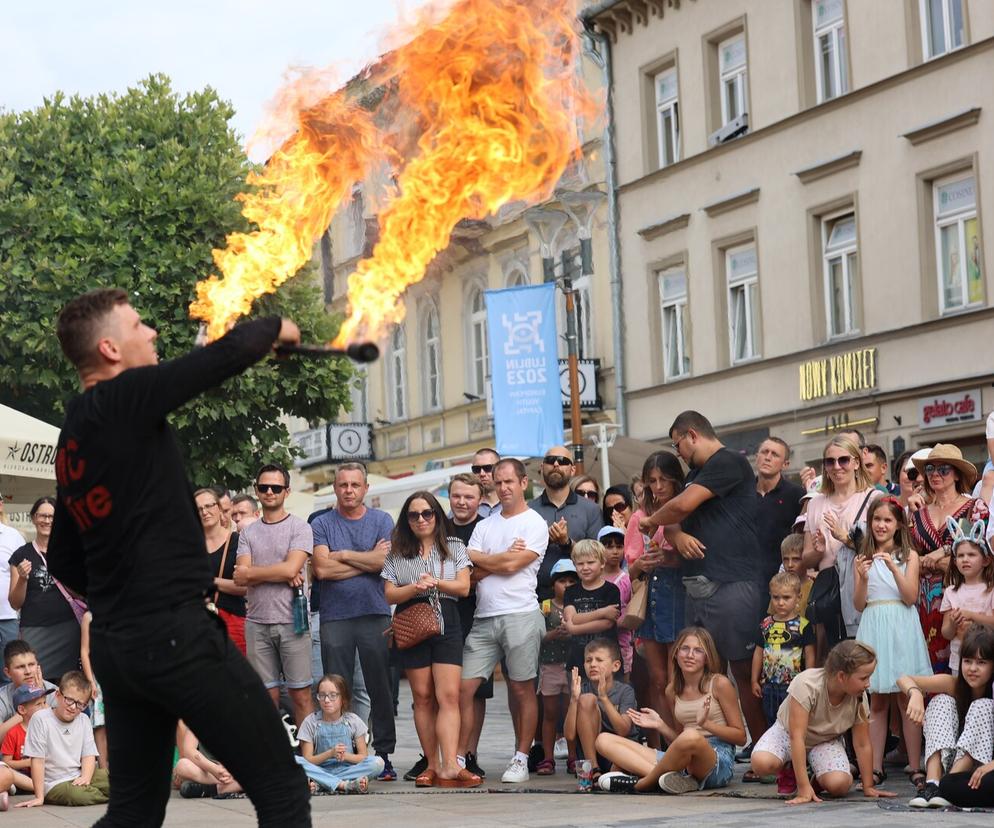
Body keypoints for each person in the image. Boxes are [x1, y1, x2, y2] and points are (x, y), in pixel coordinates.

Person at [45, 288, 310, 826]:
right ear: (110, 349)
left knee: (135, 810)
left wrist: (123, 597)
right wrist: (276, 327)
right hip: (172, 635)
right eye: (139, 325)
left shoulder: (73, 436)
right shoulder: (121, 400)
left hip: (122, 645)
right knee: (282, 786)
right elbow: (214, 362)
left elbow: (66, 560)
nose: (152, 333)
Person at [639, 411, 767, 760]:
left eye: (677, 444)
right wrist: (675, 534)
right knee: (707, 675)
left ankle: (763, 749)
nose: (677, 453)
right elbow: (677, 517)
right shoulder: (697, 473)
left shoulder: (729, 463)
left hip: (732, 584)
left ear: (692, 435)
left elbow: (680, 505)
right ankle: (710, 750)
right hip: (699, 587)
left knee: (742, 672)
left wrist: (651, 520)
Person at [458, 458, 548, 784]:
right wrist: (503, 557)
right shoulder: (485, 525)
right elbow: (470, 570)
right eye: (498, 482)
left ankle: (521, 757)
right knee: (463, 688)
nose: (503, 488)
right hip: (484, 618)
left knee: (523, 688)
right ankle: (458, 756)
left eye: (509, 481)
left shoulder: (535, 522)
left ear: (524, 483)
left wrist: (491, 561)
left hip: (521, 614)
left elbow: (512, 567)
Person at [381, 491, 480, 788]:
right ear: (406, 520)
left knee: (448, 696)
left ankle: (451, 764)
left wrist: (436, 582)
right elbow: (389, 593)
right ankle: (432, 764)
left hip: (446, 617)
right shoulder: (398, 551)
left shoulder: (453, 546)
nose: (421, 519)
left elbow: (463, 587)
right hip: (413, 620)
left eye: (427, 513)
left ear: (437, 515)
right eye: (414, 515)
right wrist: (414, 587)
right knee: (422, 698)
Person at [311, 462, 397, 780]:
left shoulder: (381, 520)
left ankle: (385, 754)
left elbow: (385, 561)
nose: (349, 490)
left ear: (365, 489)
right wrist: (366, 560)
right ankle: (342, 755)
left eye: (355, 485)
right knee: (336, 690)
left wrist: (342, 554)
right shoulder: (321, 523)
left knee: (380, 687)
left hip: (375, 613)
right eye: (343, 485)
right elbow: (321, 570)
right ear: (335, 488)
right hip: (335, 617)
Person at [596, 627, 746, 794]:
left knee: (691, 735)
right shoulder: (672, 690)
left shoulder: (719, 683)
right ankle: (672, 780)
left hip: (717, 760)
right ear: (676, 653)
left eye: (698, 651)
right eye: (685, 649)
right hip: (684, 762)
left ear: (707, 657)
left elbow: (740, 737)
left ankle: (642, 783)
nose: (690, 655)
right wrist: (660, 725)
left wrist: (707, 724)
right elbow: (678, 741)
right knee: (603, 740)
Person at [750, 640, 895, 804]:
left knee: (839, 785)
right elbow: (797, 737)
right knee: (762, 763)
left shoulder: (859, 696)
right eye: (864, 678)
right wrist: (802, 788)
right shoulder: (806, 684)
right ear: (841, 676)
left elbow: (862, 743)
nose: (868, 683)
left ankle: (817, 778)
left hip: (825, 740)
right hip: (789, 734)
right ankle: (790, 769)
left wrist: (868, 786)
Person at [852, 498, 932, 789]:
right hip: (874, 623)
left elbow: (910, 596)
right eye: (876, 520)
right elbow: (859, 603)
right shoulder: (863, 557)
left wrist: (894, 568)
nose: (881, 525)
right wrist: (861, 578)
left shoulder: (909, 555)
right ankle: (874, 767)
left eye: (887, 520)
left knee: (905, 695)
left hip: (901, 625)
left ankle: (915, 763)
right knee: (877, 701)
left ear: (898, 524)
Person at [234, 464, 314, 727]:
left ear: (287, 492)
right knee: (264, 699)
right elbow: (239, 577)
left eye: (276, 487)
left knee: (301, 695)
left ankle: (307, 760)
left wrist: (256, 573)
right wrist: (281, 571)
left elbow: (287, 569)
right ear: (256, 490)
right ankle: (273, 762)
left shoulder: (300, 528)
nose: (269, 492)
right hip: (257, 622)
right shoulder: (248, 533)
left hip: (293, 620)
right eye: (264, 487)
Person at [909, 444, 988, 674]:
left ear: (956, 474)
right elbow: (912, 556)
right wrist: (931, 559)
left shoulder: (974, 507)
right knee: (926, 668)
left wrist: (942, 555)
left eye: (944, 469)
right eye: (931, 469)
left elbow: (977, 553)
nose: (935, 474)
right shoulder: (916, 514)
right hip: (924, 602)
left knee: (965, 664)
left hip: (962, 598)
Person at [898, 625, 994, 808]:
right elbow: (903, 678)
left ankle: (947, 786)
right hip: (949, 758)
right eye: (967, 661)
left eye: (981, 663)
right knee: (941, 701)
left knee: (983, 706)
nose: (972, 668)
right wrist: (916, 694)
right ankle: (932, 784)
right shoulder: (954, 684)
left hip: (979, 769)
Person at [803, 436, 882, 655]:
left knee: (864, 657)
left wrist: (845, 537)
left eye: (844, 460)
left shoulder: (874, 498)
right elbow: (806, 558)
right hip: (829, 594)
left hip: (863, 590)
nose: (837, 467)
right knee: (834, 660)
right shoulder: (816, 503)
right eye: (830, 462)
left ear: (857, 462)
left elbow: (884, 549)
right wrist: (817, 551)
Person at [625, 451, 686, 734]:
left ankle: (684, 738)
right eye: (652, 480)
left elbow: (696, 557)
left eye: (664, 479)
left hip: (679, 594)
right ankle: (665, 742)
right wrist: (642, 562)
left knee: (680, 678)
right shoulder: (640, 516)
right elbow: (631, 570)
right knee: (658, 679)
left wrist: (669, 558)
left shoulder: (686, 508)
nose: (659, 486)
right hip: (650, 596)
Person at [442, 473, 490, 781]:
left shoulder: (486, 528)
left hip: (479, 612)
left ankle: (468, 753)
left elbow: (490, 566)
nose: (462, 501)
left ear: (479, 500)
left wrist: (461, 582)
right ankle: (442, 756)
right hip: (443, 612)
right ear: (450, 497)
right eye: (457, 496)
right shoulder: (437, 527)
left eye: (468, 497)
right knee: (444, 689)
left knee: (475, 690)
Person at [8, 497, 82, 684]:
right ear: (33, 518)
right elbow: (15, 603)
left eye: (52, 517)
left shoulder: (71, 553)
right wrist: (23, 579)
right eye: (42, 516)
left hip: (68, 628)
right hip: (35, 629)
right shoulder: (21, 554)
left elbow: (82, 592)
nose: (47, 521)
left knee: (67, 682)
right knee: (34, 681)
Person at [17, 670, 109, 808]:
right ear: (58, 695)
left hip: (78, 775)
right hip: (54, 784)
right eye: (70, 700)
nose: (73, 707)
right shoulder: (41, 719)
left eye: (80, 704)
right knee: (78, 796)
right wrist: (39, 796)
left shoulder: (83, 719)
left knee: (110, 777)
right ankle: (118, 795)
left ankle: (115, 792)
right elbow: (37, 761)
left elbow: (88, 755)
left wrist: (86, 777)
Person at [530, 446, 604, 601]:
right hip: (536, 596)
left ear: (572, 470)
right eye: (550, 460)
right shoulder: (528, 510)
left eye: (563, 461)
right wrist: (544, 540)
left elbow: (598, 557)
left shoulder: (591, 509)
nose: (556, 464)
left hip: (583, 595)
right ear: (542, 467)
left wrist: (567, 542)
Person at [295, 674, 384, 794]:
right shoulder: (310, 722)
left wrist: (345, 756)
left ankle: (322, 783)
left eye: (333, 695)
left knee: (378, 763)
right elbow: (308, 760)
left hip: (348, 769)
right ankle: (344, 785)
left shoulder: (353, 720)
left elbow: (363, 756)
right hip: (319, 769)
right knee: (294, 761)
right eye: (322, 695)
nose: (326, 700)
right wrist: (330, 753)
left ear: (343, 699)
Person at [751, 573, 815, 738]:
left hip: (794, 686)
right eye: (776, 597)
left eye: (786, 597)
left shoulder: (803, 625)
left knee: (794, 723)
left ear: (798, 597)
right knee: (772, 721)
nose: (780, 602)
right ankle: (775, 755)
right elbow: (759, 652)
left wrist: (809, 680)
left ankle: (795, 757)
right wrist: (754, 680)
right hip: (769, 684)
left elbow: (809, 654)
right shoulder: (765, 624)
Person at [565, 639, 636, 782]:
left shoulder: (625, 691)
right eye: (588, 660)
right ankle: (593, 769)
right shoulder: (581, 689)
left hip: (617, 753)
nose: (593, 664)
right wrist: (574, 699)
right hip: (592, 756)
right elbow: (569, 736)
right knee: (587, 699)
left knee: (618, 768)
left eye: (599, 660)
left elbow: (624, 730)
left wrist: (603, 698)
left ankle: (607, 775)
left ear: (615, 666)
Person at [536, 559, 577, 776]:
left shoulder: (578, 605)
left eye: (572, 580)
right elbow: (537, 635)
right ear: (554, 584)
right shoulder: (545, 606)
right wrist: (553, 634)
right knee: (550, 713)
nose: (567, 585)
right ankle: (547, 757)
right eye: (562, 581)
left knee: (571, 712)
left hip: (573, 667)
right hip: (550, 666)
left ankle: (573, 757)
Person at [940, 517, 994, 675]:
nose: (965, 559)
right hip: (960, 661)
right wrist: (952, 622)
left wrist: (971, 615)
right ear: (955, 561)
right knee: (961, 697)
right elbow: (947, 633)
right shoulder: (951, 592)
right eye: (961, 555)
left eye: (971, 555)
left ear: (985, 560)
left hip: (987, 658)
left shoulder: (990, 590)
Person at [196, 488, 246, 654]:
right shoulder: (189, 547)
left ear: (219, 508)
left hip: (233, 621)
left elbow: (245, 587)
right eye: (199, 508)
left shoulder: (238, 542)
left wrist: (210, 581)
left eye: (209, 506)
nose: (204, 512)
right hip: (198, 624)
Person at [563, 539, 620, 681]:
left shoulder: (611, 590)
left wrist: (573, 628)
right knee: (578, 700)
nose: (585, 567)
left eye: (590, 562)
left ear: (602, 563)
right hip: (577, 660)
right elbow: (572, 618)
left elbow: (607, 624)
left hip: (605, 661)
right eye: (580, 564)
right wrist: (602, 612)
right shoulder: (570, 591)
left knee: (608, 700)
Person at [754, 438, 805, 590]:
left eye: (775, 454)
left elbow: (802, 539)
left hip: (782, 584)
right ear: (757, 457)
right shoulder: (742, 493)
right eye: (764, 452)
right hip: (746, 582)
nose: (767, 457)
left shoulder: (796, 495)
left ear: (785, 464)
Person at [172, 719, 242, 799]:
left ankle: (215, 789)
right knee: (182, 765)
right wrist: (214, 769)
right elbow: (189, 750)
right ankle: (233, 786)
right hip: (210, 770)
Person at [1, 684, 51, 794]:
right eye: (39, 704)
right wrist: (29, 762)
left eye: (44, 703)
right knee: (8, 773)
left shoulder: (49, 729)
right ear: (22, 709)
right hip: (23, 776)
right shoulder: (13, 733)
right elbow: (6, 762)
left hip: (46, 774)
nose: (44, 707)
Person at [0, 641, 57, 727]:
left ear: (38, 666)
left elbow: (63, 731)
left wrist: (39, 697)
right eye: (20, 667)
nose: (28, 671)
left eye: (31, 664)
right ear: (8, 673)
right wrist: (28, 709)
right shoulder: (2, 697)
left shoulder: (54, 691)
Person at [600, 526, 632, 677]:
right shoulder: (593, 579)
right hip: (597, 640)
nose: (615, 551)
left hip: (622, 641)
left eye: (619, 546)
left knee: (622, 681)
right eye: (609, 546)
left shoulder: (626, 579)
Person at [78, 611, 106, 769]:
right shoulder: (89, 616)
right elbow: (84, 651)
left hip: (122, 674)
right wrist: (90, 681)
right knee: (100, 725)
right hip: (98, 676)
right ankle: (103, 769)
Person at [0, 494, 26, 661]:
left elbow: (25, 575)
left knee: (9, 674)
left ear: (1, 505)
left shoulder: (13, 536)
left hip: (8, 618)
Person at [779, 534, 813, 618]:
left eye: (796, 559)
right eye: (786, 559)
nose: (790, 565)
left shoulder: (814, 589)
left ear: (806, 559)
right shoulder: (779, 588)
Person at [470, 448, 502, 517]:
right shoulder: (464, 506)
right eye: (476, 469)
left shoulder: (513, 505)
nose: (482, 474)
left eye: (488, 468)